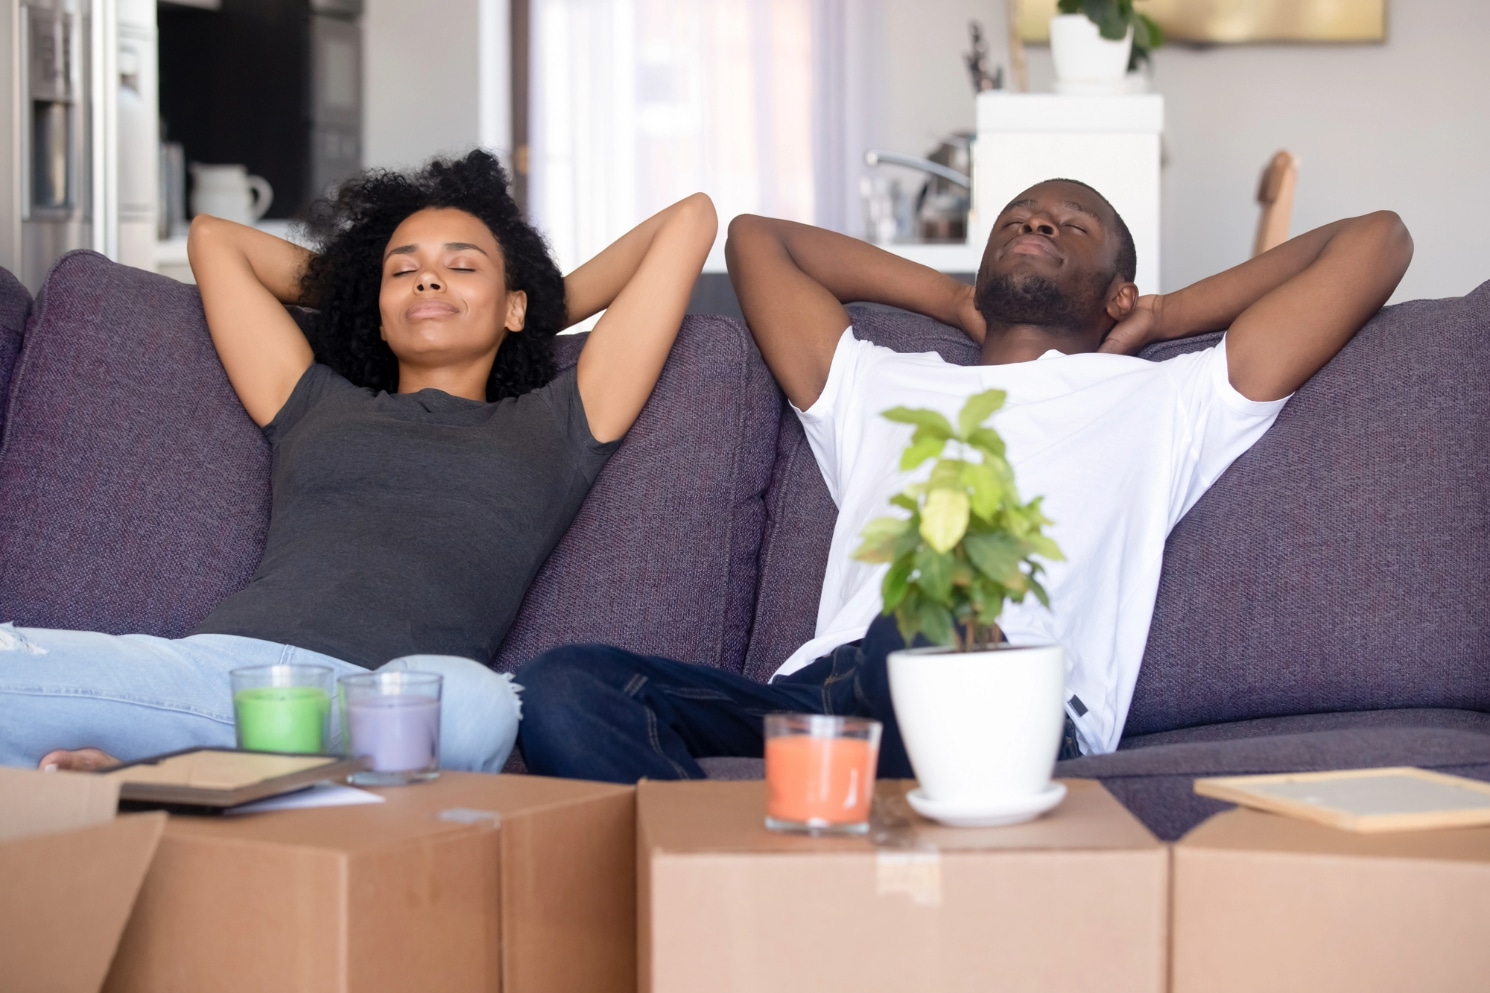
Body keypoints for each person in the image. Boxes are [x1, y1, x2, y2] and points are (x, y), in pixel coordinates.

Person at [516, 178, 1412, 783]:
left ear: (1117, 293)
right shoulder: (882, 382)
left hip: (1007, 699)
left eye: (1071, 226)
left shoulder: (1167, 396)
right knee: (564, 685)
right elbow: (760, 238)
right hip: (826, 695)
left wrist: (1168, 315)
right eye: (1018, 219)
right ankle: (718, 878)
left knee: (917, 630)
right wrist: (950, 300)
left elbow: (1376, 241)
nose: (1036, 223)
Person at [0, 150, 717, 773]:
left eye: (461, 267)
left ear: (514, 306)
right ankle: (202, 775)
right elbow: (215, 239)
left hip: (391, 704)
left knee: (478, 704)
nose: (429, 281)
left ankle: (174, 774)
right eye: (403, 272)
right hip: (231, 679)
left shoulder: (559, 422)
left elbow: (689, 220)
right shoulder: (312, 400)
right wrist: (378, 291)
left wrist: (526, 305)